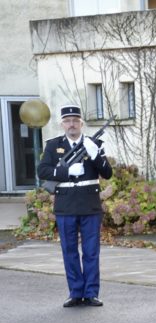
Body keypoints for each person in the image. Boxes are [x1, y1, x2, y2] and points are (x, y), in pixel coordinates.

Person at [38, 104, 113, 307]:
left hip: (90, 204)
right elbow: (42, 171)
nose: (71, 124)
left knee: (91, 251)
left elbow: (107, 173)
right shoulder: (53, 146)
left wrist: (95, 155)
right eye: (67, 121)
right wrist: (67, 171)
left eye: (75, 121)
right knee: (69, 250)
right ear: (62, 124)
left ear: (81, 123)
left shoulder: (94, 143)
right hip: (66, 205)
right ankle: (75, 292)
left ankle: (91, 293)